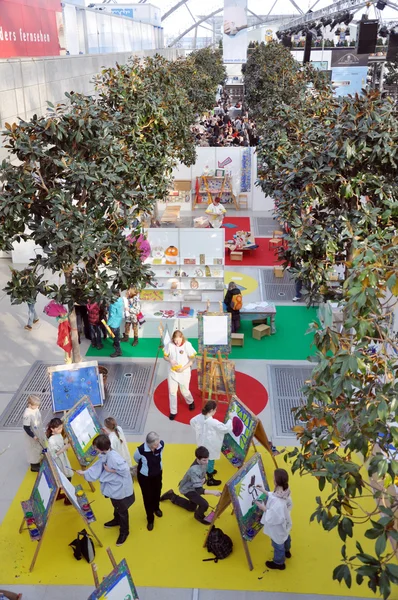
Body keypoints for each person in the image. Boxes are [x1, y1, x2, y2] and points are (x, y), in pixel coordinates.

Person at [76, 434, 134, 546]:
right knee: (116, 505)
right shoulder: (106, 453)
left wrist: (111, 470)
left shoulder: (113, 458)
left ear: (101, 448)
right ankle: (116, 520)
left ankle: (124, 531)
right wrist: (85, 472)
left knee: (122, 510)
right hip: (114, 487)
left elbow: (125, 469)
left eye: (96, 447)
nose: (95, 449)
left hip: (119, 488)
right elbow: (99, 465)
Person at [160, 446, 221, 524]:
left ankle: (172, 496)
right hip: (188, 489)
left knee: (192, 507)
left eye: (207, 459)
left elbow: (202, 474)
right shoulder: (194, 470)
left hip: (194, 486)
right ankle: (198, 516)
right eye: (204, 460)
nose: (207, 462)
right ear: (197, 459)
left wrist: (204, 480)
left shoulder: (202, 462)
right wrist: (213, 492)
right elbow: (199, 490)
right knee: (204, 504)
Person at [255, 468, 293, 571]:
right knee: (286, 537)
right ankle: (287, 551)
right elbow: (274, 496)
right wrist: (264, 491)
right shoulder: (285, 491)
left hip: (278, 527)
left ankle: (279, 563)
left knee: (278, 544)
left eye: (273, 478)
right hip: (286, 523)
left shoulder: (278, 503)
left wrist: (263, 507)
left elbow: (273, 517)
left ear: (276, 481)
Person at [190, 400, 233, 486]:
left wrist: (198, 431)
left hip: (202, 442)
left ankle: (208, 471)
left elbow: (192, 421)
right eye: (215, 410)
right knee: (210, 460)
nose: (216, 411)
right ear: (211, 410)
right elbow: (225, 429)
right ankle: (210, 479)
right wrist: (230, 419)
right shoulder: (213, 422)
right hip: (210, 445)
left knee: (205, 458)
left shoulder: (200, 417)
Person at [133, 432, 165, 531]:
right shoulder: (141, 450)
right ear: (149, 444)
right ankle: (150, 519)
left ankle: (156, 508)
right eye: (155, 444)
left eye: (158, 442)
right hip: (145, 477)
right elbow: (136, 459)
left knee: (157, 491)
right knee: (147, 497)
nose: (158, 445)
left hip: (158, 473)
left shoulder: (161, 445)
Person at [163, 330, 196, 421]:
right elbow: (165, 356)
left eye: (178, 341)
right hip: (172, 372)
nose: (177, 343)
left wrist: (184, 368)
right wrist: (170, 360)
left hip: (184, 372)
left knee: (184, 390)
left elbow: (193, 359)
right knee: (172, 392)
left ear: (182, 338)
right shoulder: (170, 344)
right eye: (175, 341)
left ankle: (190, 401)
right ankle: (173, 411)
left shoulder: (187, 345)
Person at [46, 417, 73, 505]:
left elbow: (61, 443)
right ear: (52, 429)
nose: (61, 430)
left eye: (61, 428)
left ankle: (58, 496)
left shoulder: (58, 435)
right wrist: (65, 447)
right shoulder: (51, 440)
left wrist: (65, 442)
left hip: (63, 460)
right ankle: (68, 499)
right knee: (66, 479)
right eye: (58, 429)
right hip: (59, 462)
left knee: (64, 479)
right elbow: (53, 455)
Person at [22, 395, 44, 472]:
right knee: (33, 450)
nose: (37, 407)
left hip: (38, 431)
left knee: (39, 447)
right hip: (32, 435)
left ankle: (39, 459)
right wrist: (33, 436)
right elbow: (26, 427)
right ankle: (34, 466)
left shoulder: (35, 409)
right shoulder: (27, 414)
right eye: (36, 405)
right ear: (30, 404)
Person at [107, 293, 124, 358]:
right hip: (118, 321)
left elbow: (112, 316)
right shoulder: (120, 300)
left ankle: (118, 351)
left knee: (115, 337)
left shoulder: (113, 304)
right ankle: (115, 344)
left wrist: (107, 324)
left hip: (114, 323)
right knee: (117, 334)